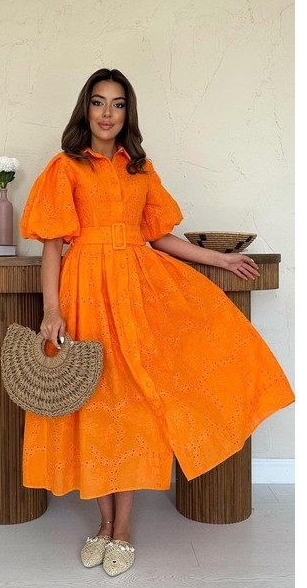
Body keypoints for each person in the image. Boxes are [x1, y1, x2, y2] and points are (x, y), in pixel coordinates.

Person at [19, 68, 295, 577]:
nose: (107, 113)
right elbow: (52, 246)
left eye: (117, 103)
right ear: (85, 109)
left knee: (134, 409)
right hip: (84, 292)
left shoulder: (140, 169)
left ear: (128, 113)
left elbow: (159, 236)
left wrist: (219, 260)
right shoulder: (64, 167)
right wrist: (52, 310)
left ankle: (122, 529)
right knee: (91, 406)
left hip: (135, 291)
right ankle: (102, 524)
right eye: (98, 102)